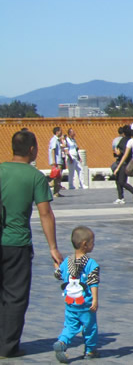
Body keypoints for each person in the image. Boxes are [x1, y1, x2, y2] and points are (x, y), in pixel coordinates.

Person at [0, 131, 62, 358]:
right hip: (17, 243)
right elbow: (45, 214)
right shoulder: (35, 177)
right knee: (15, 295)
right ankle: (7, 347)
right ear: (32, 150)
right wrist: (53, 247)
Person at [52, 226, 100, 363]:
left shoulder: (67, 262)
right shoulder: (91, 264)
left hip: (70, 302)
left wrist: (56, 265)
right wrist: (95, 300)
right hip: (85, 304)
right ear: (85, 244)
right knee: (90, 326)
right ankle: (90, 350)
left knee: (70, 325)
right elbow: (93, 283)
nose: (94, 244)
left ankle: (62, 342)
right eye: (92, 242)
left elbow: (58, 275)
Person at [111, 125, 133, 205]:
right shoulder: (132, 140)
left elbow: (118, 152)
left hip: (123, 163)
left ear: (124, 133)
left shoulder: (123, 141)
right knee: (118, 180)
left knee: (121, 181)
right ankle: (120, 197)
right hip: (129, 162)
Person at [48, 126, 65, 197]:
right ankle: (51, 187)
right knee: (57, 177)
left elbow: (62, 146)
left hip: (59, 160)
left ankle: (56, 192)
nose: (61, 132)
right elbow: (53, 150)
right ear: (57, 132)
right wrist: (54, 161)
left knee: (58, 177)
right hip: (57, 161)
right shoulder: (54, 140)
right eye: (60, 131)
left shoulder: (57, 140)